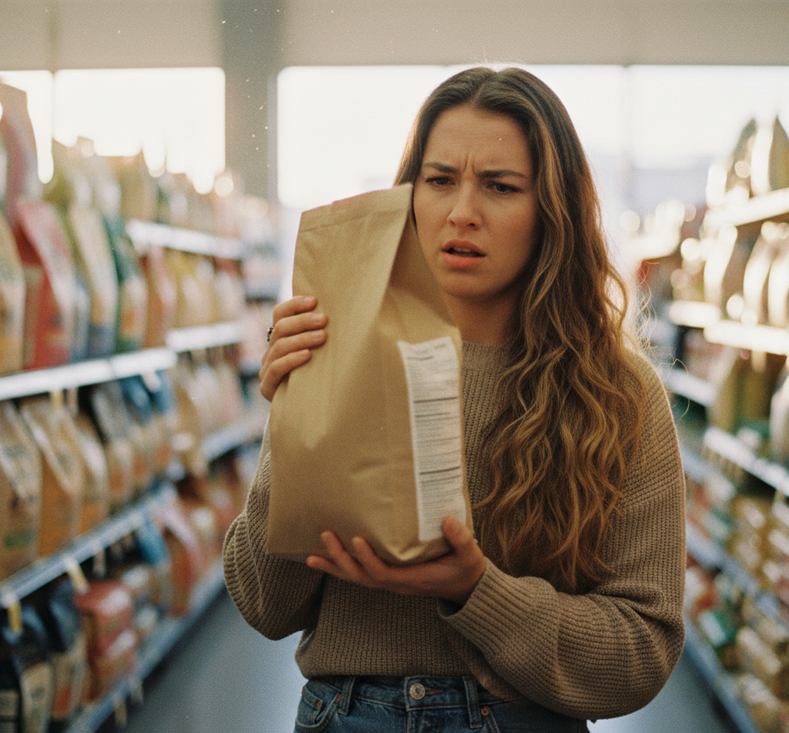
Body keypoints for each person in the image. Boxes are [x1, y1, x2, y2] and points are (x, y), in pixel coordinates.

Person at [223, 66, 686, 732]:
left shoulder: (619, 394)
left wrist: (476, 590)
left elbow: (641, 650)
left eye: (499, 186)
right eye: (439, 180)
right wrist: (298, 416)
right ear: (410, 196)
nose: (462, 210)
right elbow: (262, 602)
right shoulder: (340, 351)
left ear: (551, 208)